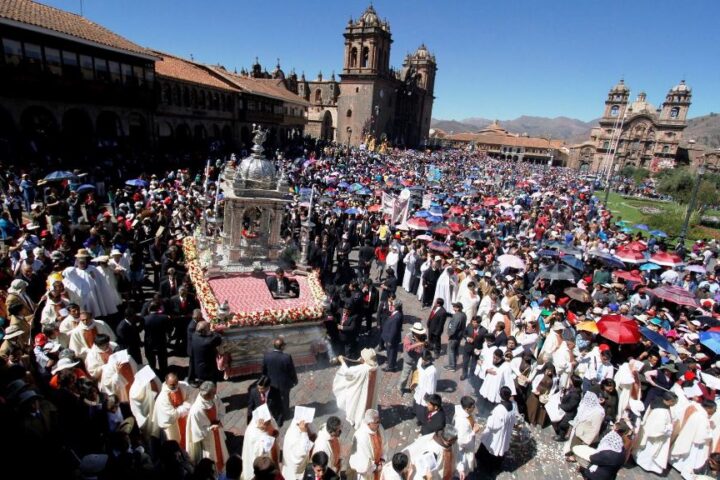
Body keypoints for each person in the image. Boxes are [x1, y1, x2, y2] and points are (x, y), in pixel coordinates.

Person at [186, 381, 229, 473]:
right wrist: (210, 429)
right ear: (206, 394)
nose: (215, 394)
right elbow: (197, 431)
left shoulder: (214, 398)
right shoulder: (196, 410)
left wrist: (220, 421)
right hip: (208, 438)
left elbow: (221, 409)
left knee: (221, 452)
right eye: (213, 393)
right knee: (212, 457)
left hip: (218, 432)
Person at [332, 348, 380, 428]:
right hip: (371, 391)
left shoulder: (362, 369)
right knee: (368, 405)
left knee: (359, 405)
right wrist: (363, 362)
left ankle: (358, 421)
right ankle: (368, 417)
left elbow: (348, 373)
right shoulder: (377, 367)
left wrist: (342, 361)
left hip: (361, 392)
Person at [670, 399, 717, 479]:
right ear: (709, 408)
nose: (714, 412)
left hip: (691, 441)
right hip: (696, 445)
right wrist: (710, 435)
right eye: (714, 409)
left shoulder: (698, 414)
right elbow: (701, 436)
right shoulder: (702, 418)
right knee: (691, 459)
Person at [634, 391, 677, 474]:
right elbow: (660, 429)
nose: (674, 404)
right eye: (674, 402)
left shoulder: (658, 401)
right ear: (669, 401)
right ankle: (646, 465)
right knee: (649, 451)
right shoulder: (662, 411)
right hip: (655, 437)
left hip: (648, 430)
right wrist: (669, 428)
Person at [476, 386, 517, 473]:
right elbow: (514, 419)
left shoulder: (499, 409)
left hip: (497, 434)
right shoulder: (513, 405)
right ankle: (496, 465)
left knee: (491, 447)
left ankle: (486, 466)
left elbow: (493, 425)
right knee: (501, 447)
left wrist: (490, 418)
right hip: (506, 431)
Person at [262, 337, 298, 425]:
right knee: (285, 398)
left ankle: (276, 413)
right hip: (284, 383)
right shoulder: (286, 357)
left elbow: (264, 371)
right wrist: (295, 380)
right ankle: (286, 413)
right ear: (282, 347)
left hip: (271, 383)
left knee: (274, 399)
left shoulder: (267, 356)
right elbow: (291, 371)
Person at [152, 372, 193, 450]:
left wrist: (182, 408)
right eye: (172, 384)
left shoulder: (183, 386)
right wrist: (185, 407)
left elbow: (191, 398)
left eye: (176, 383)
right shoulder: (162, 398)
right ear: (166, 382)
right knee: (175, 442)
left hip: (184, 419)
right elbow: (171, 415)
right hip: (173, 425)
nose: (174, 386)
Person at [564, 391, 607, 463]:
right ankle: (572, 453)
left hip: (586, 434)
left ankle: (574, 457)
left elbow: (595, 429)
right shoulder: (585, 406)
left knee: (579, 447)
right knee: (574, 443)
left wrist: (587, 441)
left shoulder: (598, 412)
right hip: (579, 430)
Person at [242, 406, 281, 480]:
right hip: (263, 465)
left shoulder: (268, 419)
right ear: (259, 421)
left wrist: (275, 433)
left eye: (269, 422)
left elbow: (274, 428)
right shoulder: (252, 433)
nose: (269, 425)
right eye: (266, 424)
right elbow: (258, 453)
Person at [348, 409, 385, 480]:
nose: (379, 424)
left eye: (379, 421)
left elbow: (384, 445)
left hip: (379, 465)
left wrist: (382, 460)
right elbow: (363, 460)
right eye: (376, 422)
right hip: (368, 471)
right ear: (369, 423)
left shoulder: (379, 428)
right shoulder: (361, 436)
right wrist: (375, 467)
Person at [454, 396, 481, 476]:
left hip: (467, 445)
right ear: (467, 408)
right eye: (473, 407)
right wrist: (473, 432)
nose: (474, 408)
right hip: (463, 450)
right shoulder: (462, 422)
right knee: (463, 468)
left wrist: (474, 424)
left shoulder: (466, 413)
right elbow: (461, 441)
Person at [398, 323, 427, 395]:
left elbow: (425, 347)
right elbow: (408, 348)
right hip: (408, 360)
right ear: (414, 332)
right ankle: (400, 388)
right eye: (418, 333)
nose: (420, 335)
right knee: (404, 377)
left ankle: (412, 387)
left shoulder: (423, 337)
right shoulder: (408, 336)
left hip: (418, 360)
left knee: (415, 376)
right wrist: (419, 344)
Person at [144, 300, 171, 376]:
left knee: (151, 361)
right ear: (158, 308)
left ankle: (153, 374)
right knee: (162, 361)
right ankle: (163, 375)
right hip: (161, 342)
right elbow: (169, 329)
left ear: (149, 309)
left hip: (149, 343)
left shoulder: (145, 319)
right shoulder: (165, 318)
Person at [413, 350, 438, 428]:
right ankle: (417, 415)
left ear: (429, 360)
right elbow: (418, 369)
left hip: (425, 391)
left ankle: (422, 420)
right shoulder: (420, 360)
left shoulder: (432, 370)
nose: (423, 361)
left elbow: (432, 385)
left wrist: (428, 396)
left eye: (425, 360)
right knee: (416, 403)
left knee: (423, 408)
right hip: (419, 387)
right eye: (423, 359)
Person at [380, 299, 403, 372]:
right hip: (390, 337)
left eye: (392, 305)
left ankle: (390, 366)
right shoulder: (397, 313)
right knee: (390, 352)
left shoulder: (397, 316)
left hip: (392, 339)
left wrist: (390, 340)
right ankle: (391, 362)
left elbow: (394, 330)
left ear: (395, 306)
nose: (390, 306)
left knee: (392, 352)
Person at [460, 316, 486, 381]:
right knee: (465, 362)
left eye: (474, 322)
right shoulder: (469, 326)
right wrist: (467, 338)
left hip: (476, 350)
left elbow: (484, 342)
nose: (473, 323)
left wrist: (480, 350)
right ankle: (464, 374)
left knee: (473, 363)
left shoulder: (484, 330)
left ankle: (472, 375)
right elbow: (464, 333)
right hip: (467, 348)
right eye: (472, 322)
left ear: (479, 323)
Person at [445, 302, 466, 371]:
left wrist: (449, 335)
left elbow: (454, 328)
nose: (453, 307)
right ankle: (454, 363)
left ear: (458, 308)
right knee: (455, 350)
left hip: (454, 337)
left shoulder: (457, 316)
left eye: (454, 306)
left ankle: (452, 366)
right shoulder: (463, 315)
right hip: (459, 337)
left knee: (451, 351)